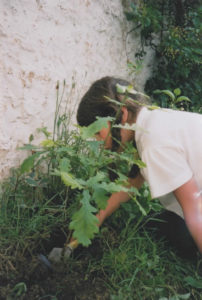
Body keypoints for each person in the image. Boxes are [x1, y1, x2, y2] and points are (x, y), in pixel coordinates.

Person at [77, 76, 202, 258]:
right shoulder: (151, 121)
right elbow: (134, 180)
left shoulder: (154, 142)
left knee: (172, 230)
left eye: (97, 131)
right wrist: (98, 218)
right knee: (159, 223)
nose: (97, 141)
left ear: (123, 114)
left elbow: (194, 205)